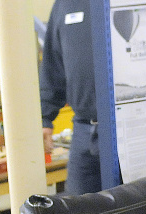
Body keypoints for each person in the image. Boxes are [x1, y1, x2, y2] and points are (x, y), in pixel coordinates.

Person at [39, 0, 101, 196]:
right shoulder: (64, 5)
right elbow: (52, 66)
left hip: (127, 127)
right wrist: (44, 118)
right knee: (77, 213)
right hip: (83, 129)